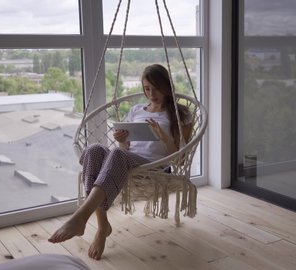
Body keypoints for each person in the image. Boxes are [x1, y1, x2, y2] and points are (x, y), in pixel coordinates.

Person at [48, 64, 192, 260]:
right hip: (129, 161)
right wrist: (123, 140)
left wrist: (163, 137)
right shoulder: (136, 110)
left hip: (156, 167)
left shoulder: (179, 114)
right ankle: (102, 225)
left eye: (155, 88)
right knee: (94, 150)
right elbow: (125, 150)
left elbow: (181, 160)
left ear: (166, 86)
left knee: (117, 155)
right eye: (147, 88)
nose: (151, 93)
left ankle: (81, 218)